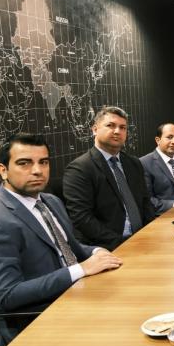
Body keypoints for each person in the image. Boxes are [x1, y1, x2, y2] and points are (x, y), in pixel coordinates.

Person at [0, 134, 122, 346]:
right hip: (39, 325)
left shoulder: (50, 201)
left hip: (76, 298)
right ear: (3, 170)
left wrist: (96, 252)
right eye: (24, 163)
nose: (38, 170)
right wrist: (81, 269)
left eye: (44, 162)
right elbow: (7, 294)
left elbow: (70, 249)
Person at [64, 106, 155, 250]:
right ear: (95, 130)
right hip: (108, 246)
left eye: (123, 127)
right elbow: (82, 218)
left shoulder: (133, 163)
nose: (117, 131)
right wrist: (122, 243)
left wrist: (150, 232)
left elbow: (145, 202)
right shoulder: (80, 169)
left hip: (142, 240)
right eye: (110, 125)